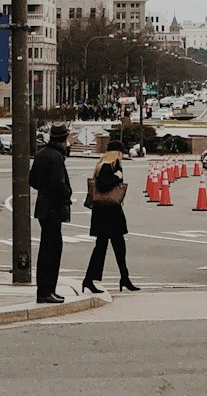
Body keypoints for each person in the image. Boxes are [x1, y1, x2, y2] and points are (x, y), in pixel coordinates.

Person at [82, 143, 138, 294]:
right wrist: (117, 177)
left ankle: (124, 277)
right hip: (108, 214)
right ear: (117, 153)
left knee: (115, 246)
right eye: (121, 152)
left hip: (106, 213)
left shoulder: (105, 164)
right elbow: (103, 185)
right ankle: (90, 279)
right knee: (104, 248)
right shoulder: (108, 166)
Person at [29, 123, 73, 303]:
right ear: (62, 139)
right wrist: (66, 194)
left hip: (43, 206)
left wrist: (44, 189)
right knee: (53, 251)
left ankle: (44, 290)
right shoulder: (56, 157)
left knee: (46, 249)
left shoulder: (41, 155)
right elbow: (59, 184)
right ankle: (48, 290)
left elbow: (32, 180)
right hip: (54, 207)